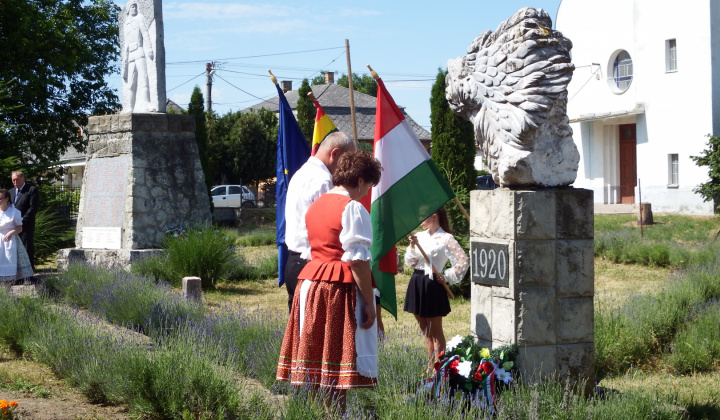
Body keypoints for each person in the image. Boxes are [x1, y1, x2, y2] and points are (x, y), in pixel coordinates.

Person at [277, 150, 382, 414]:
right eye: (368, 186)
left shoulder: (316, 205)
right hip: (335, 290)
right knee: (335, 366)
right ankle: (336, 416)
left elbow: (309, 248)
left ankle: (317, 414)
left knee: (316, 363)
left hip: (310, 287)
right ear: (360, 180)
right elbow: (358, 260)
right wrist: (370, 303)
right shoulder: (352, 208)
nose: (366, 192)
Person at [283, 131, 356, 312]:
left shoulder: (301, 174)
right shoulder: (323, 181)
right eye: (347, 161)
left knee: (299, 333)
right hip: (312, 263)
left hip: (294, 261)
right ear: (334, 154)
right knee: (316, 334)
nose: (348, 168)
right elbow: (328, 229)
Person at [404, 207, 469, 368]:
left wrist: (446, 276)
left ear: (434, 217)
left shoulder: (446, 238)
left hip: (433, 284)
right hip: (417, 281)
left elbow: (463, 261)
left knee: (435, 330)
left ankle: (439, 368)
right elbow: (410, 263)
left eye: (423, 217)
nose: (420, 220)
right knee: (424, 329)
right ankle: (429, 365)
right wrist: (412, 247)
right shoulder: (418, 236)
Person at [122, 0, 154, 113]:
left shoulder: (140, 18)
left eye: (135, 7)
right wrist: (124, 59)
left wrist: (149, 48)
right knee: (131, 82)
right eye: (132, 7)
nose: (134, 9)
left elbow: (145, 33)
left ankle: (147, 103)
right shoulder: (126, 24)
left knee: (144, 78)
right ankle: (129, 106)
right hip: (130, 55)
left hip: (139, 51)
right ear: (128, 10)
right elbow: (125, 43)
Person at [0, 189, 34, 285]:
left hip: (10, 240)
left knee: (9, 259)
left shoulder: (14, 212)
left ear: (7, 199)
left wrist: (11, 232)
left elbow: (19, 228)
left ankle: (9, 282)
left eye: (0, 198)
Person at [10, 171, 39, 270]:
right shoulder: (10, 192)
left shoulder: (31, 190)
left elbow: (32, 208)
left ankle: (29, 274)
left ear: (23, 179)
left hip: (25, 226)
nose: (15, 182)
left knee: (26, 248)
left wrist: (21, 221)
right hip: (12, 227)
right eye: (13, 180)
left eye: (17, 179)